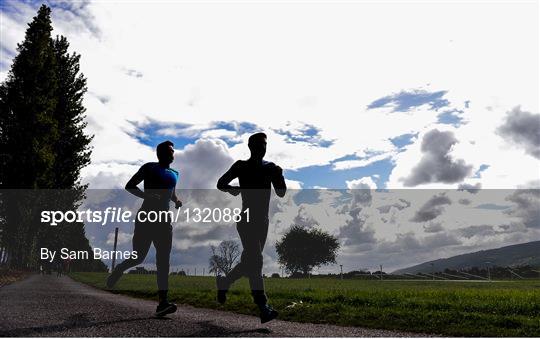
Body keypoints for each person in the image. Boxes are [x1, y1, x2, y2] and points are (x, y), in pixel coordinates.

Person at [106, 140, 182, 317]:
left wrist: (176, 200)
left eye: (173, 151)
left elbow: (171, 191)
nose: (173, 154)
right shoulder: (149, 168)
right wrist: (146, 194)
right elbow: (130, 185)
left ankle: (162, 302)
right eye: (170, 151)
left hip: (164, 220)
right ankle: (119, 269)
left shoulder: (175, 173)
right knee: (138, 257)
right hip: (146, 217)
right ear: (160, 154)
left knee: (163, 260)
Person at [216, 132, 286, 323]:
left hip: (263, 222)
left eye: (265, 144)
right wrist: (233, 189)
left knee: (250, 262)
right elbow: (220, 183)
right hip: (246, 220)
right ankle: (263, 306)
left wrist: (280, 176)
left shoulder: (271, 168)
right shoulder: (241, 166)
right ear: (250, 147)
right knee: (257, 260)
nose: (262, 148)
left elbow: (281, 193)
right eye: (258, 144)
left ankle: (224, 282)